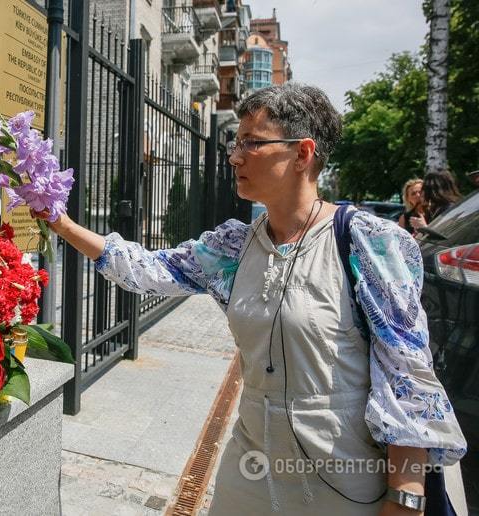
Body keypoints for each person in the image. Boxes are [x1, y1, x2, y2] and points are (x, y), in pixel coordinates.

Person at [33, 83, 466, 515]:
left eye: (253, 143)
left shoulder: (367, 244)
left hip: (345, 479)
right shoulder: (234, 248)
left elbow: (407, 379)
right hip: (251, 469)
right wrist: (62, 222)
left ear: (302, 153)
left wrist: (405, 498)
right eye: (236, 143)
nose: (235, 156)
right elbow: (151, 268)